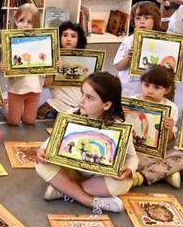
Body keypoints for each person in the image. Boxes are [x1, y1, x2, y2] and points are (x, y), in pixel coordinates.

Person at [36, 72, 138, 214]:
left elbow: (132, 157)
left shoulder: (118, 126)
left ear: (107, 104)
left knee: (122, 184)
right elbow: (51, 142)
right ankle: (90, 201)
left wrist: (129, 170)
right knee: (42, 165)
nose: (81, 101)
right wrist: (42, 150)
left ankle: (64, 190)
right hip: (72, 171)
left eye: (89, 98)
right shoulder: (72, 114)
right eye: (82, 94)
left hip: (98, 178)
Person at [129, 65, 183, 189]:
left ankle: (141, 177)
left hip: (157, 153)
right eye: (146, 85)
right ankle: (165, 174)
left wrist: (169, 128)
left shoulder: (171, 108)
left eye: (156, 87)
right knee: (128, 158)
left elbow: (169, 141)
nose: (150, 91)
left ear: (166, 90)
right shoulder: (131, 102)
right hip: (135, 151)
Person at [0, 3, 44, 126]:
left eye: (29, 22)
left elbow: (48, 67)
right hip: (17, 88)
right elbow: (6, 69)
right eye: (21, 20)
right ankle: (6, 102)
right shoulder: (11, 42)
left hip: (34, 88)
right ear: (16, 21)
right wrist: (3, 68)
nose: (24, 25)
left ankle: (18, 108)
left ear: (36, 24)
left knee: (29, 121)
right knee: (13, 122)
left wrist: (55, 63)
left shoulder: (42, 43)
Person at [37, 21, 87, 120]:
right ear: (59, 37)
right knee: (36, 117)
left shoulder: (86, 59)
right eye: (65, 35)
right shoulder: (51, 57)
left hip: (79, 104)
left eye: (73, 36)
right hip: (58, 103)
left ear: (79, 39)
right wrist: (54, 71)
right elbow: (45, 85)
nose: (68, 39)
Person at [113, 1, 163, 98]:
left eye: (147, 18)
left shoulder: (162, 42)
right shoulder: (129, 41)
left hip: (149, 90)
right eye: (138, 18)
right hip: (127, 88)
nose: (142, 21)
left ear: (155, 20)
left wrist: (180, 57)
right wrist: (128, 58)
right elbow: (118, 67)